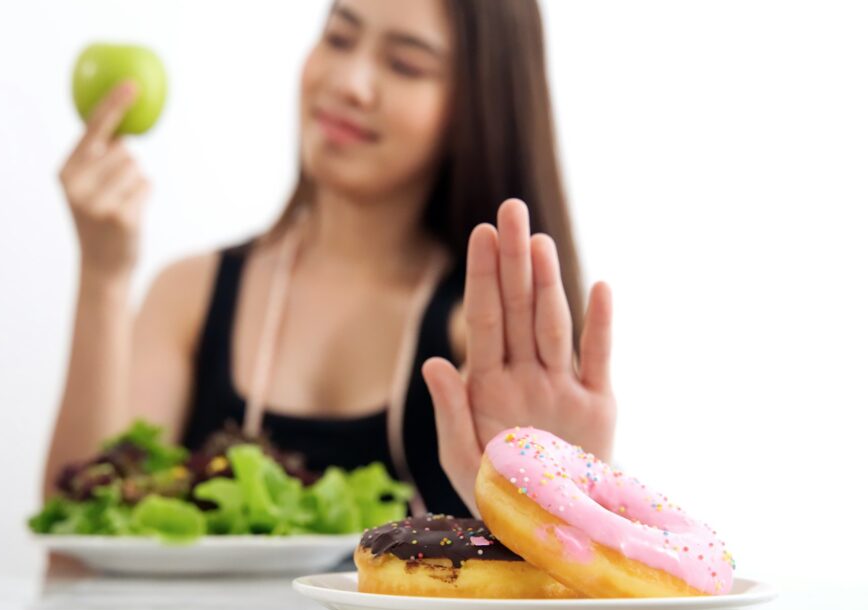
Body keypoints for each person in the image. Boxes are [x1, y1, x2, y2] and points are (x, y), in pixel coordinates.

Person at [45, 0, 616, 518]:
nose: (350, 83)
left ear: (479, 105)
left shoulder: (487, 337)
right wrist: (104, 274)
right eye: (339, 38)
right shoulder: (189, 295)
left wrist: (561, 495)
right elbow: (79, 547)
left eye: (406, 65)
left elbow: (556, 604)